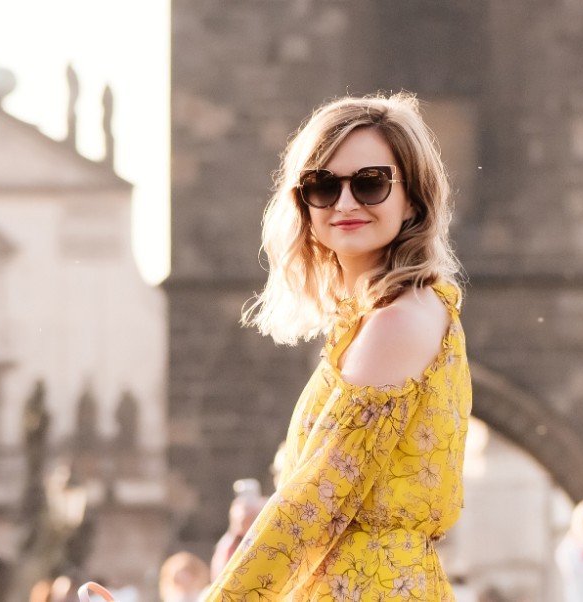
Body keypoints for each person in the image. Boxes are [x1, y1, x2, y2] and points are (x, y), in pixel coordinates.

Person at [201, 92, 471, 600]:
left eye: (370, 183)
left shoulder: (397, 321)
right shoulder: (389, 314)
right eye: (322, 186)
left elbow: (311, 504)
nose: (345, 203)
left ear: (413, 197)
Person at [209, 479, 265, 581]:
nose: (242, 524)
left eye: (248, 519)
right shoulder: (227, 546)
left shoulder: (265, 541)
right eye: (240, 521)